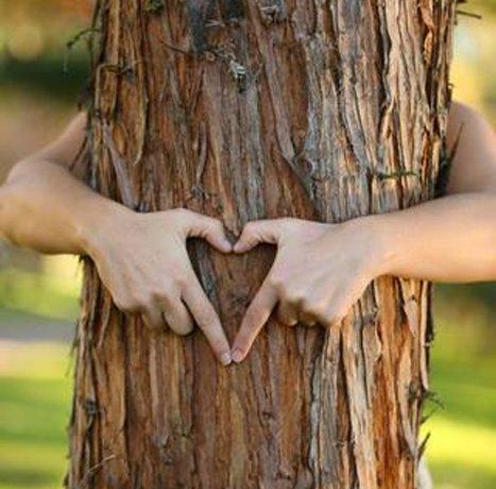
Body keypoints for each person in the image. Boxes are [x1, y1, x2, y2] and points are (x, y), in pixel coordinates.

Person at [1, 100, 495, 368]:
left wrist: (368, 243)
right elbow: (18, 196)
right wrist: (105, 229)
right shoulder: (130, 98)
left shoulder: (434, 116)